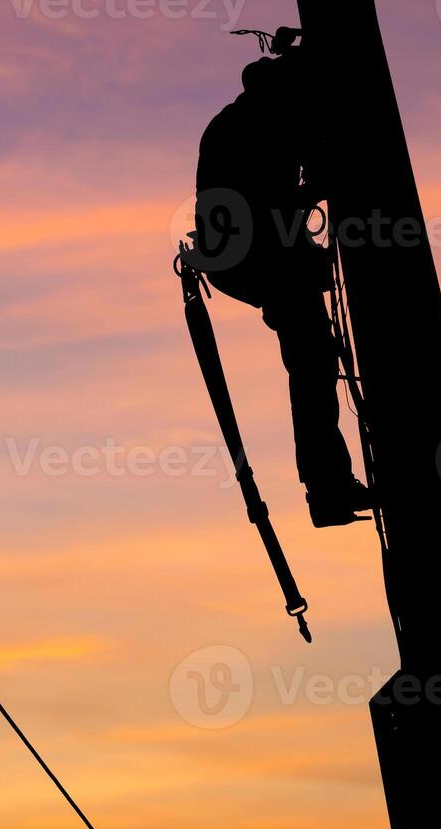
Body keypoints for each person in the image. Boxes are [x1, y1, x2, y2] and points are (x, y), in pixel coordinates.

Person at [188, 31, 370, 528]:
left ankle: (329, 486)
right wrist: (323, 183)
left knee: (312, 352)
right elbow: (263, 202)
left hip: (249, 258)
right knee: (311, 356)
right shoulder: (265, 122)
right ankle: (328, 487)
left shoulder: (243, 118)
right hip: (256, 257)